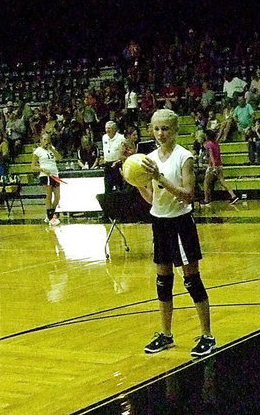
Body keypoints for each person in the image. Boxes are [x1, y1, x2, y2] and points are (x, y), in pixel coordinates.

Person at [131, 109, 216, 357]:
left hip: (181, 223)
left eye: (166, 128)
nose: (160, 133)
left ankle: (207, 335)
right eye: (156, 129)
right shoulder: (149, 158)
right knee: (163, 281)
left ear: (175, 130)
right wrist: (137, 183)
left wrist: (160, 178)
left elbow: (189, 194)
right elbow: (152, 198)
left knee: (191, 280)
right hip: (160, 223)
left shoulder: (184, 157)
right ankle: (166, 335)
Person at [31, 133, 62, 226]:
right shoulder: (37, 151)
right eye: (44, 139)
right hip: (45, 175)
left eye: (47, 139)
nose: (46, 141)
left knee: (57, 197)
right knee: (49, 196)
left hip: (55, 174)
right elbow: (32, 167)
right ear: (40, 140)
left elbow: (59, 158)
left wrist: (52, 149)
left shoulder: (52, 149)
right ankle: (50, 217)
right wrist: (42, 169)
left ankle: (49, 214)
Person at [202, 129, 239, 206]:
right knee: (223, 181)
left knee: (206, 183)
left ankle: (206, 200)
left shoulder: (208, 144)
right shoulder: (216, 144)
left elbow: (211, 156)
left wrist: (213, 166)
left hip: (213, 166)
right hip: (220, 165)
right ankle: (233, 195)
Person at [101, 121, 125, 193]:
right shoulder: (104, 137)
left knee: (119, 186)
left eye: (109, 128)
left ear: (114, 129)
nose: (107, 130)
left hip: (117, 164)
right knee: (107, 187)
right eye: (106, 128)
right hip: (107, 165)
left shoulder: (121, 138)